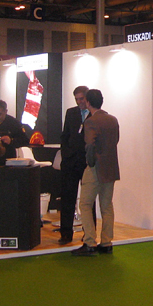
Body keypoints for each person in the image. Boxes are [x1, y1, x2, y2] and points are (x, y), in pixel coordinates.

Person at [73, 89, 120, 257]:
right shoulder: (113, 120)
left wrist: (91, 162)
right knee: (107, 205)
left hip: (96, 168)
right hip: (111, 167)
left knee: (85, 204)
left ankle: (90, 242)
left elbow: (90, 145)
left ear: (88, 102)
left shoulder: (91, 121)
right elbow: (115, 141)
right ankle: (106, 242)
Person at [58, 86, 90, 245]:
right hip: (70, 162)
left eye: (82, 99)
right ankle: (65, 232)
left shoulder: (95, 114)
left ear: (88, 98)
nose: (79, 102)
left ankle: (89, 233)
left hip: (86, 164)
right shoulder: (71, 113)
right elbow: (65, 135)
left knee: (87, 200)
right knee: (67, 198)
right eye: (77, 99)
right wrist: (66, 153)